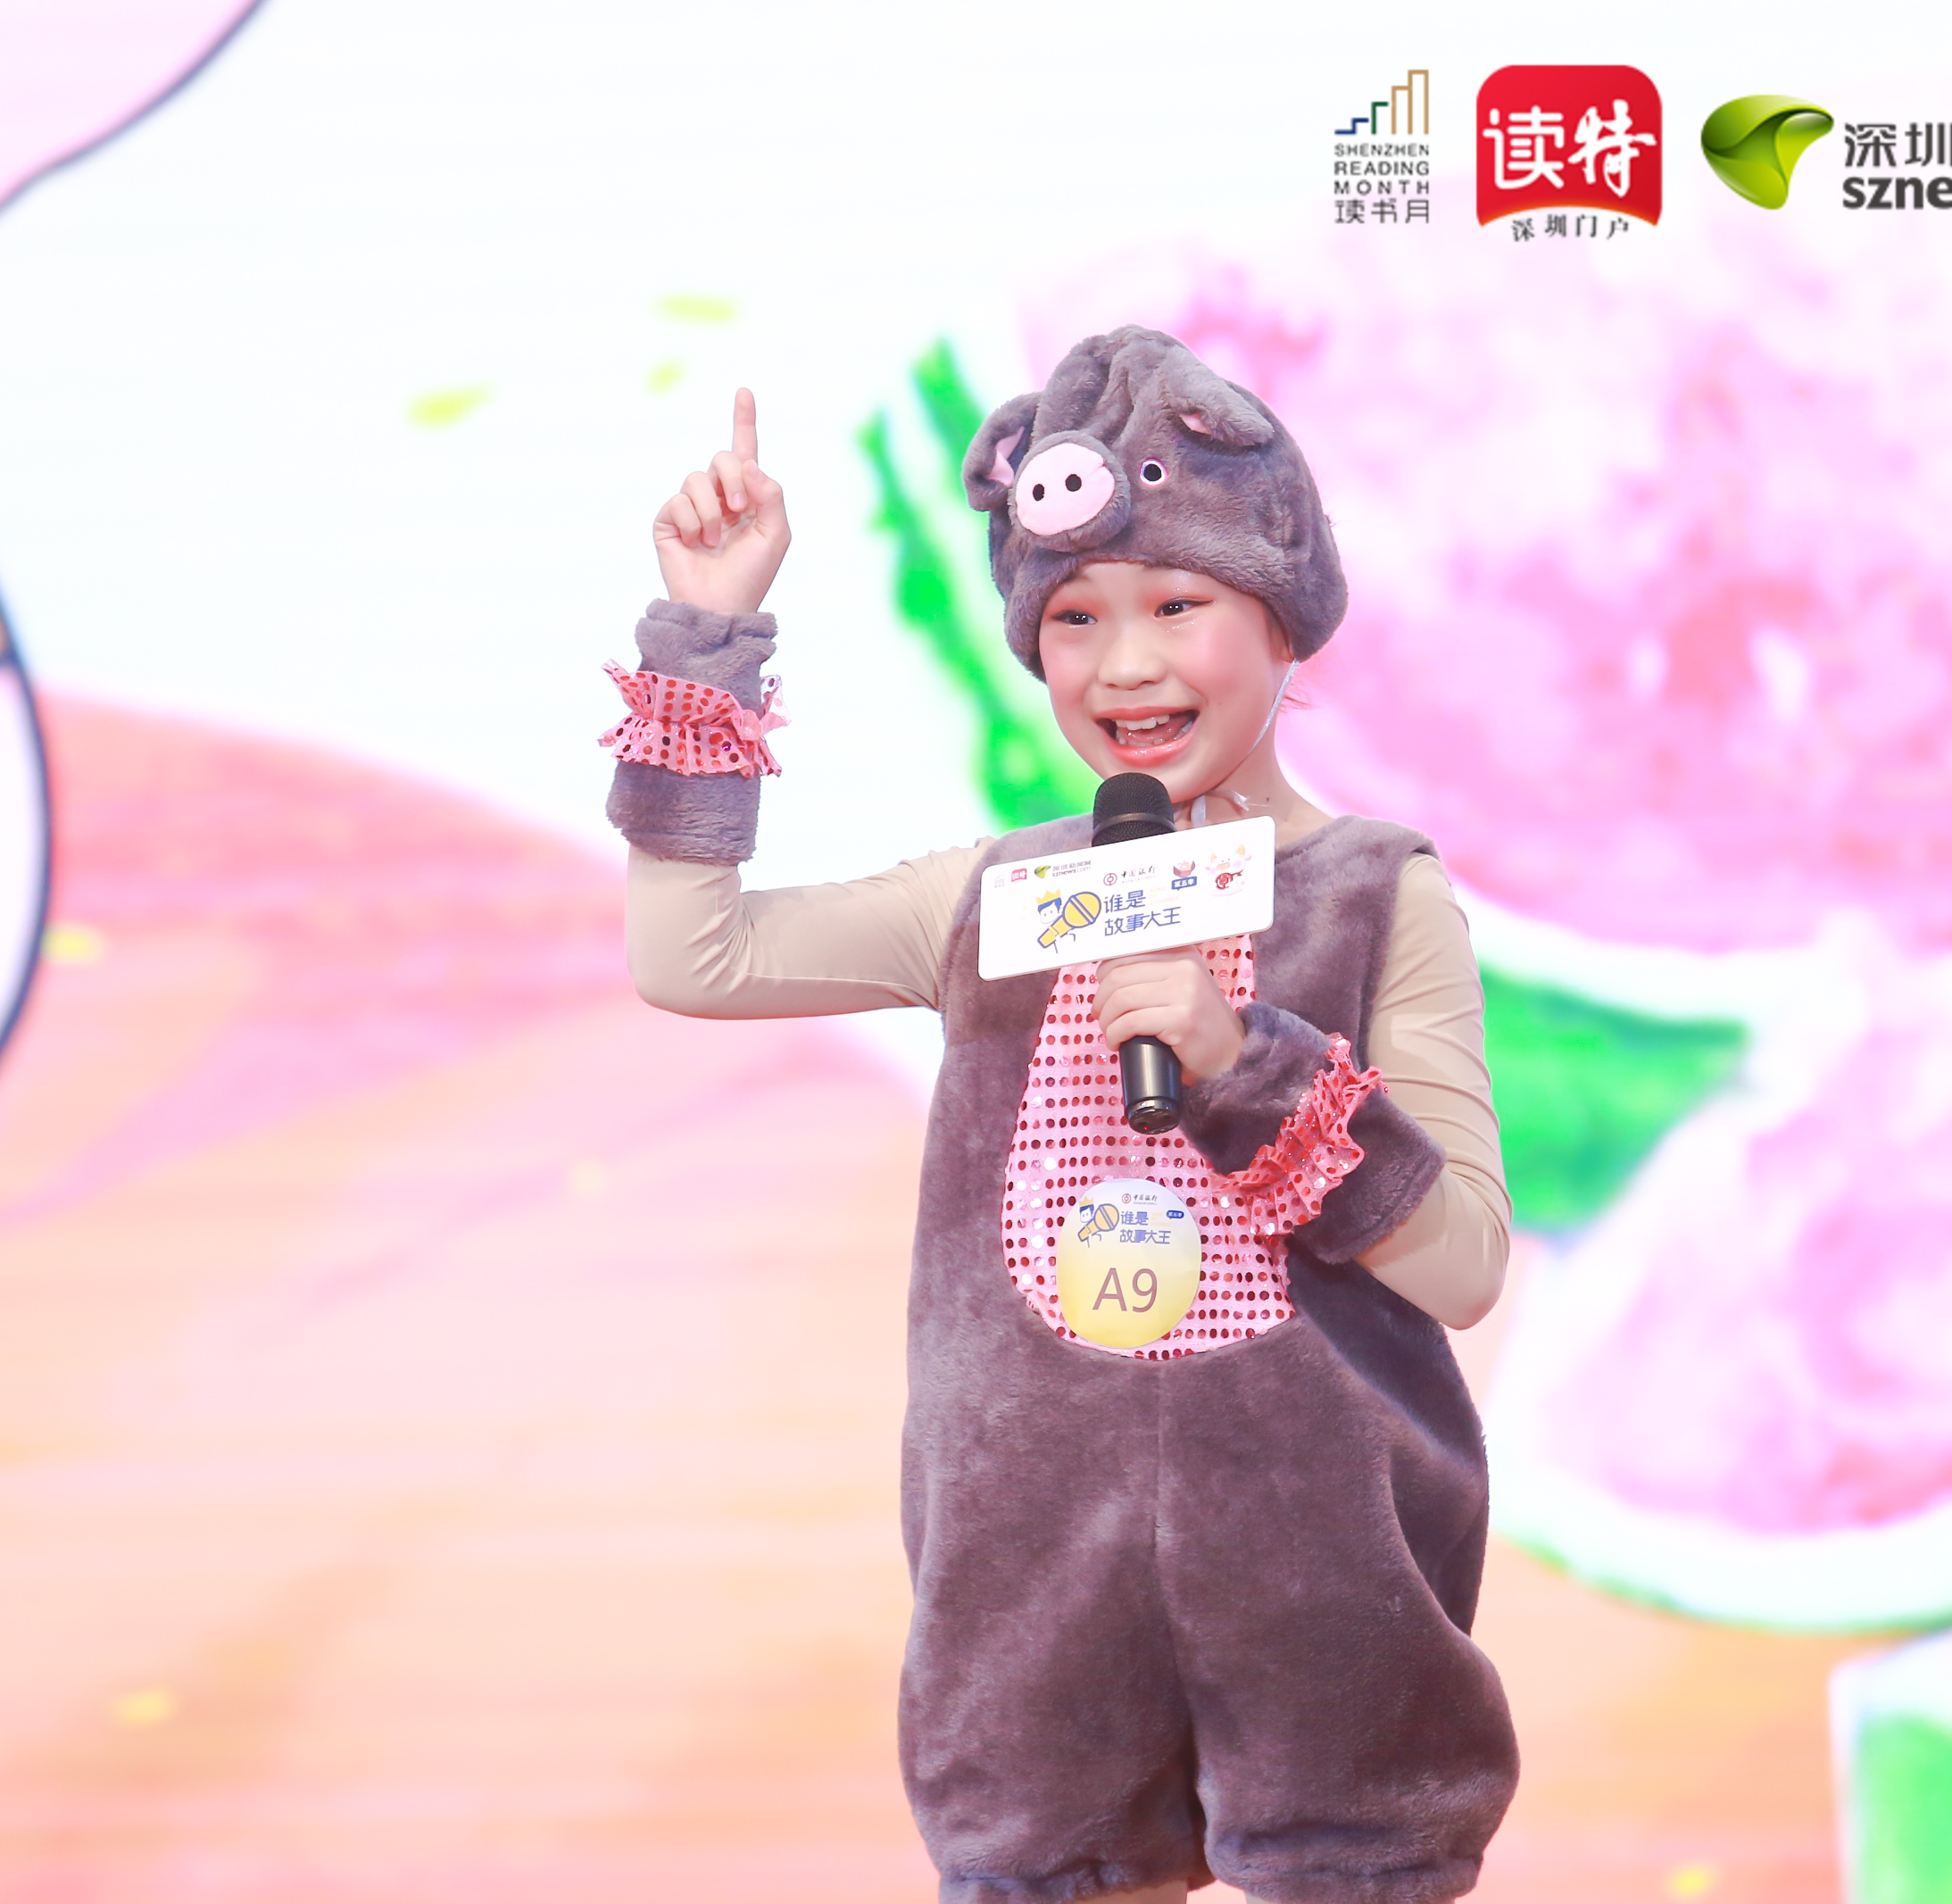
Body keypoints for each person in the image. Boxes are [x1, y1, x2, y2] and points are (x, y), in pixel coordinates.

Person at [604, 328, 1517, 1904]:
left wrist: (1249, 1062)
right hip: (1030, 1646)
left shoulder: (1378, 892)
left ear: (1284, 617)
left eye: (1178, 606)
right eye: (1077, 618)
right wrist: (709, 630)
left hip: (1332, 1625)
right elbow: (695, 955)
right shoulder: (993, 900)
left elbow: (1464, 1264)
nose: (1127, 667)